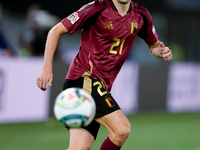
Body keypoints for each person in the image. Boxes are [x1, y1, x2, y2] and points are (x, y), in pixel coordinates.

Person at [37, 0, 172, 149]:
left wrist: (162, 51)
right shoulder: (96, 8)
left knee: (79, 148)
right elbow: (55, 31)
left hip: (99, 85)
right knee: (122, 129)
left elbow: (154, 45)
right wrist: (46, 69)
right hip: (84, 79)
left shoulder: (141, 15)